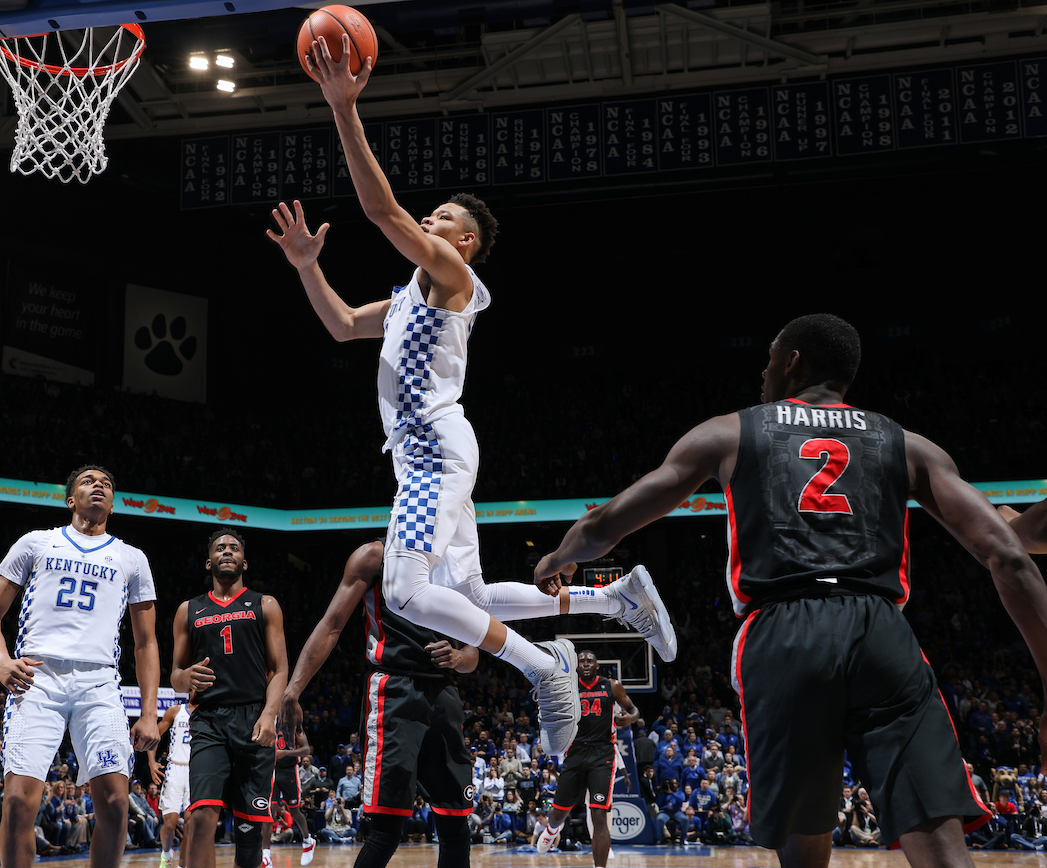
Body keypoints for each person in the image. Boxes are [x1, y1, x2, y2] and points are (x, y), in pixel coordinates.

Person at [268, 33, 676, 756]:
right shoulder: (404, 301)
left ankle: (542, 663)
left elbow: (380, 211)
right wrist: (306, 266)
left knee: (402, 595)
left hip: (432, 452)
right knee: (471, 601)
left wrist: (343, 109)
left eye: (443, 219)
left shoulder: (455, 283)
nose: (429, 220)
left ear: (464, 245)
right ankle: (612, 600)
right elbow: (338, 325)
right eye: (432, 216)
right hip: (432, 452)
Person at [533, 313, 1047, 868]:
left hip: (784, 629)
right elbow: (1010, 557)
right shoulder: (907, 444)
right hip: (881, 631)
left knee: (804, 840)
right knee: (939, 838)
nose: (763, 371)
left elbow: (607, 525)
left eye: (770, 357)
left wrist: (561, 555)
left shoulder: (729, 431)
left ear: (792, 360)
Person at [0, 464, 160, 868]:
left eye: (107, 484)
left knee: (114, 800)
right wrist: (1, 662)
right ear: (70, 499)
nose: (99, 486)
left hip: (99, 683)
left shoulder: (131, 558)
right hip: (37, 678)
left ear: (113, 502)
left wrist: (149, 714)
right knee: (19, 801)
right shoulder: (36, 543)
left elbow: (146, 642)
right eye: (89, 482)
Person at [279, 540, 478, 868]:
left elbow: (474, 650)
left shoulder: (454, 562)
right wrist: (293, 690)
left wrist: (458, 656)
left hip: (444, 693)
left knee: (456, 825)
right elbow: (332, 625)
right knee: (386, 829)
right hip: (393, 690)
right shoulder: (373, 555)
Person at [169, 528, 288, 868]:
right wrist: (185, 677)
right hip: (209, 719)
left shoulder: (265, 604)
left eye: (234, 548)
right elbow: (176, 675)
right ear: (209, 562)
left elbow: (280, 669)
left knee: (250, 831)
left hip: (253, 720)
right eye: (220, 548)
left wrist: (269, 716)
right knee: (202, 814)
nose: (227, 552)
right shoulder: (188, 610)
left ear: (244, 562)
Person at [536, 651, 640, 868]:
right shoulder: (569, 687)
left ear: (597, 665)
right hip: (574, 752)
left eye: (589, 660)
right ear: (576, 666)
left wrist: (630, 718)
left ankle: (599, 866)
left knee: (599, 814)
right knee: (558, 813)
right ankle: (552, 829)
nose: (585, 663)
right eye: (581, 661)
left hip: (602, 754)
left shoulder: (612, 686)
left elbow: (633, 709)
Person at [150, 701, 193, 868]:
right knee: (170, 824)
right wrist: (152, 762)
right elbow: (155, 735)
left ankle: (183, 865)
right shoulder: (176, 711)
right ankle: (167, 854)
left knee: (190, 822)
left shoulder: (207, 712)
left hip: (195, 770)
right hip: (174, 769)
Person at [271, 724, 317, 866]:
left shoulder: (293, 722)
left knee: (295, 811)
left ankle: (307, 840)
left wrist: (285, 753)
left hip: (289, 770)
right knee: (269, 811)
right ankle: (265, 852)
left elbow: (306, 749)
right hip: (272, 769)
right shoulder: (268, 720)